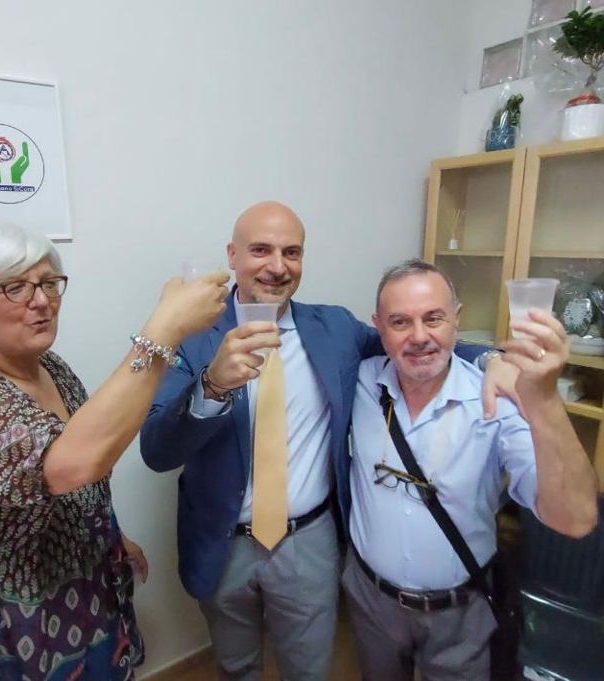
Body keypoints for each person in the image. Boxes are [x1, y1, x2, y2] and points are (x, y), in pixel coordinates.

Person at [139, 202, 506, 681]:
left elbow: (411, 341)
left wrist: (492, 359)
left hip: (308, 541)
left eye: (291, 252)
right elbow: (157, 451)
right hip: (221, 540)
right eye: (261, 250)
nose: (277, 266)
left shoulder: (333, 329)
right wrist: (212, 385)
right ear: (232, 255)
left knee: (309, 670)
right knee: (235, 666)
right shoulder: (192, 334)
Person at [0, 223, 229, 681]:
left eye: (48, 283)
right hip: (0, 626)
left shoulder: (50, 367)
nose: (41, 300)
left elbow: (89, 458)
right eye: (15, 287)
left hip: (82, 598)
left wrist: (111, 534)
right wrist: (165, 329)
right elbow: (68, 467)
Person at [343, 258, 599, 681]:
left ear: (456, 319)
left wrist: (544, 399)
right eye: (400, 322)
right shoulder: (360, 380)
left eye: (434, 318)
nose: (419, 336)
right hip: (371, 602)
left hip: (460, 613)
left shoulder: (496, 400)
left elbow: (576, 518)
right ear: (379, 328)